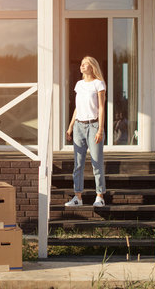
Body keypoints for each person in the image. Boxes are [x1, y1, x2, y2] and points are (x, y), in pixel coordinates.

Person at [65, 56, 106, 207]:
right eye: (81, 64)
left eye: (85, 64)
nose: (81, 66)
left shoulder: (98, 84)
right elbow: (77, 108)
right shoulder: (79, 84)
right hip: (78, 127)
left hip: (94, 126)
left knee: (97, 163)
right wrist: (70, 127)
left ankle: (100, 196)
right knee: (78, 164)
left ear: (92, 66)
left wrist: (100, 130)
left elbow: (101, 108)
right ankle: (77, 197)